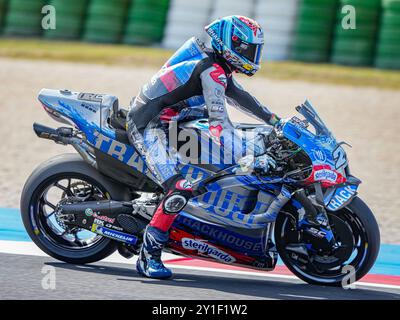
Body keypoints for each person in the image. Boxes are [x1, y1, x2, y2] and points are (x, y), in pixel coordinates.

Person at [127, 15, 280, 279]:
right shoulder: (210, 70)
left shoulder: (216, 66)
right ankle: (148, 255)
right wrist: (250, 156)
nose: (253, 55)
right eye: (248, 48)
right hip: (149, 125)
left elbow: (241, 97)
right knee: (180, 188)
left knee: (224, 153)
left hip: (176, 118)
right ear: (232, 44)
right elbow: (220, 124)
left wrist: (276, 121)